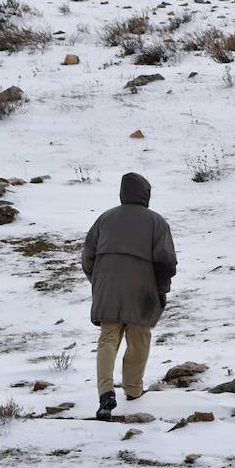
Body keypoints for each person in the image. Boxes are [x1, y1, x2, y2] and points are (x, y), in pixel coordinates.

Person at [81, 173, 177, 419]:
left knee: (108, 338)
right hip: (141, 289)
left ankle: (105, 392)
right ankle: (133, 390)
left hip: (107, 286)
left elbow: (87, 256)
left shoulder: (104, 218)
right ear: (145, 194)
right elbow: (166, 261)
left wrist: (99, 281)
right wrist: (161, 287)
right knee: (139, 338)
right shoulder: (156, 222)